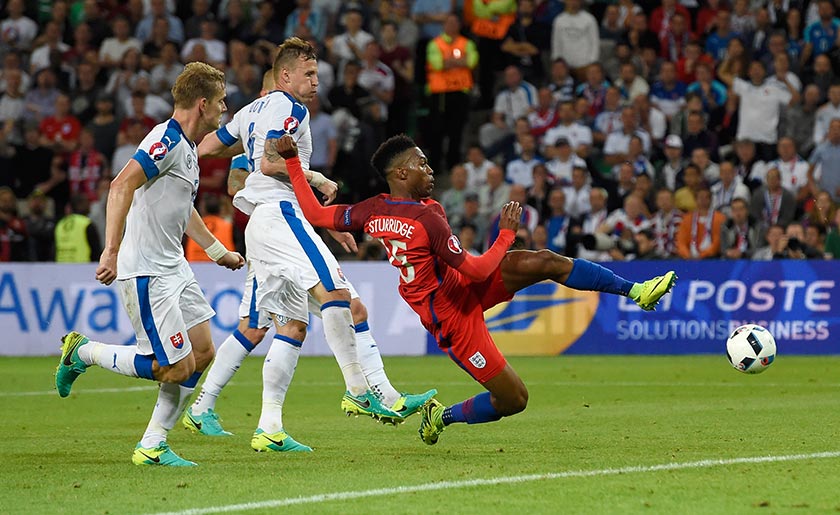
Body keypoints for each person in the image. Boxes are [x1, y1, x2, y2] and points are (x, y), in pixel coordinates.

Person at [279, 132, 676, 445]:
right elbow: (480, 266)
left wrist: (294, 163)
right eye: (422, 164)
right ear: (401, 174)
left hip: (458, 286)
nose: (430, 170)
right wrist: (505, 236)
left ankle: (636, 291)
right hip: (450, 317)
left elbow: (316, 213)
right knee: (514, 399)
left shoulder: (373, 209)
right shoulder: (427, 218)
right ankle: (441, 416)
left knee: (544, 261)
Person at [195, 38, 434, 446]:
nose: (316, 82)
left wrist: (184, 157)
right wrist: (319, 178)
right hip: (279, 217)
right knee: (336, 296)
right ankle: (359, 392)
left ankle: (271, 427)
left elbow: (207, 145)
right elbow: (272, 164)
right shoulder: (290, 107)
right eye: (309, 74)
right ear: (285, 76)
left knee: (303, 322)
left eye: (317, 75)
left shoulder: (251, 111)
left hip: (278, 221)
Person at [54, 62, 245, 467]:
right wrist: (110, 250)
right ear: (203, 103)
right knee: (173, 368)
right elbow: (121, 183)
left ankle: (153, 445)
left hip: (174, 266)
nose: (225, 109)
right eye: (222, 102)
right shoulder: (165, 139)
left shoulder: (190, 149)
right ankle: (83, 352)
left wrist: (216, 252)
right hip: (146, 270)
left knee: (203, 352)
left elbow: (183, 208)